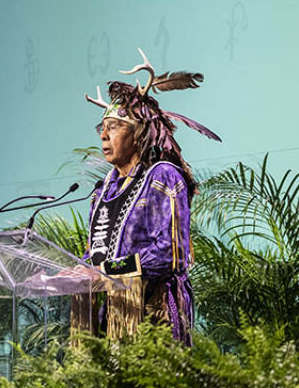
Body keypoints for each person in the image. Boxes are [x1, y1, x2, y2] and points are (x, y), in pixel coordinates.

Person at [84, 48, 221, 344]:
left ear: (139, 133)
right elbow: (97, 254)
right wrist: (70, 272)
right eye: (102, 128)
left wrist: (107, 271)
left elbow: (171, 253)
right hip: (108, 317)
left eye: (114, 127)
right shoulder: (102, 190)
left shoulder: (161, 177)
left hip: (152, 316)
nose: (103, 136)